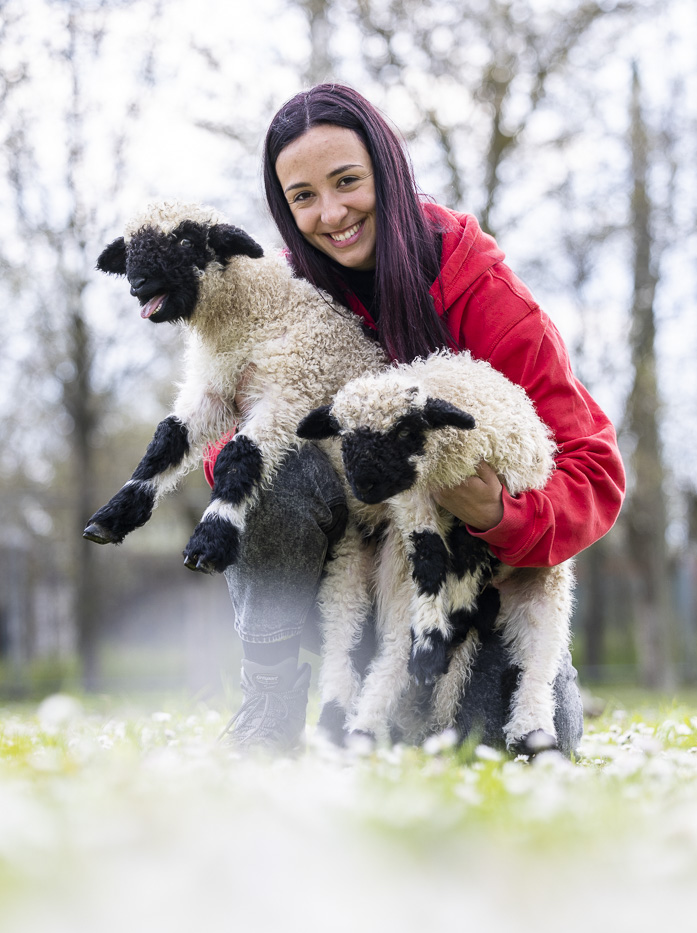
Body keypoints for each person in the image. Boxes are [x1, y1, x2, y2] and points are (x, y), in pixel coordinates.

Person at [215, 84, 625, 752]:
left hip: (473, 579)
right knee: (265, 470)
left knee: (508, 749)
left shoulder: (480, 289)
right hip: (356, 581)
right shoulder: (279, 307)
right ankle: (270, 701)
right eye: (303, 196)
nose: (331, 212)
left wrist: (500, 511)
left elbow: (594, 470)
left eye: (347, 181)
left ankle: (478, 697)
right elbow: (221, 462)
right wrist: (253, 425)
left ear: (387, 171)